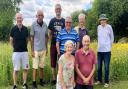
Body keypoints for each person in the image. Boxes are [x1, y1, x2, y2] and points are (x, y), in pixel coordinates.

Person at [10, 13, 29, 89]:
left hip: (24, 52)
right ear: (16, 19)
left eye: (20, 18)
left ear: (22, 19)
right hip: (16, 52)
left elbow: (27, 40)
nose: (19, 19)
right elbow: (11, 40)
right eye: (18, 18)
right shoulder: (13, 28)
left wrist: (24, 46)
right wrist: (14, 47)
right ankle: (15, 85)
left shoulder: (25, 29)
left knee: (25, 68)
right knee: (16, 69)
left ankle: (24, 83)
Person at [30, 9, 48, 89]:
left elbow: (46, 37)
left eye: (41, 15)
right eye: (39, 15)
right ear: (36, 16)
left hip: (43, 49)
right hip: (36, 50)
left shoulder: (45, 25)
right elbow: (31, 38)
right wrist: (32, 50)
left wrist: (46, 48)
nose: (40, 16)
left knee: (41, 67)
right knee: (35, 67)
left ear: (43, 16)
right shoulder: (33, 24)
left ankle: (41, 81)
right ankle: (34, 82)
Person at [95, 14, 114, 87]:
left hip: (107, 51)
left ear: (106, 20)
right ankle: (99, 80)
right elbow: (99, 37)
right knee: (99, 67)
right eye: (101, 20)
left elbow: (112, 37)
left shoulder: (109, 27)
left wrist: (109, 46)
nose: (102, 21)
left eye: (104, 20)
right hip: (99, 51)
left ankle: (106, 82)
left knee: (106, 67)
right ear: (100, 21)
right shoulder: (98, 27)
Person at [48, 4, 65, 85]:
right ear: (55, 10)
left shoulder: (64, 21)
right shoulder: (52, 21)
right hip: (53, 45)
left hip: (62, 45)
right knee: (53, 62)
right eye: (56, 9)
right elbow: (49, 33)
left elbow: (65, 32)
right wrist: (52, 41)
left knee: (61, 62)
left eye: (59, 9)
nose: (58, 10)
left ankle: (60, 77)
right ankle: (54, 79)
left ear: (61, 10)